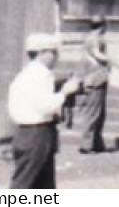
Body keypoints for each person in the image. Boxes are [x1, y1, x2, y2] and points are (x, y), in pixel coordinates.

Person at [7, 33, 81, 189]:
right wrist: (65, 92)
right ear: (42, 53)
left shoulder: (26, 74)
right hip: (37, 133)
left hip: (27, 132)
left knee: (42, 184)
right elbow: (46, 106)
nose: (56, 57)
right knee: (25, 184)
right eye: (54, 52)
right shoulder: (41, 74)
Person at [73, 17, 111, 153]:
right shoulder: (94, 38)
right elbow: (97, 54)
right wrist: (113, 60)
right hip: (94, 79)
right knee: (93, 113)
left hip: (98, 78)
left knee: (99, 113)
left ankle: (96, 143)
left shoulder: (92, 37)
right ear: (102, 26)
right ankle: (86, 145)